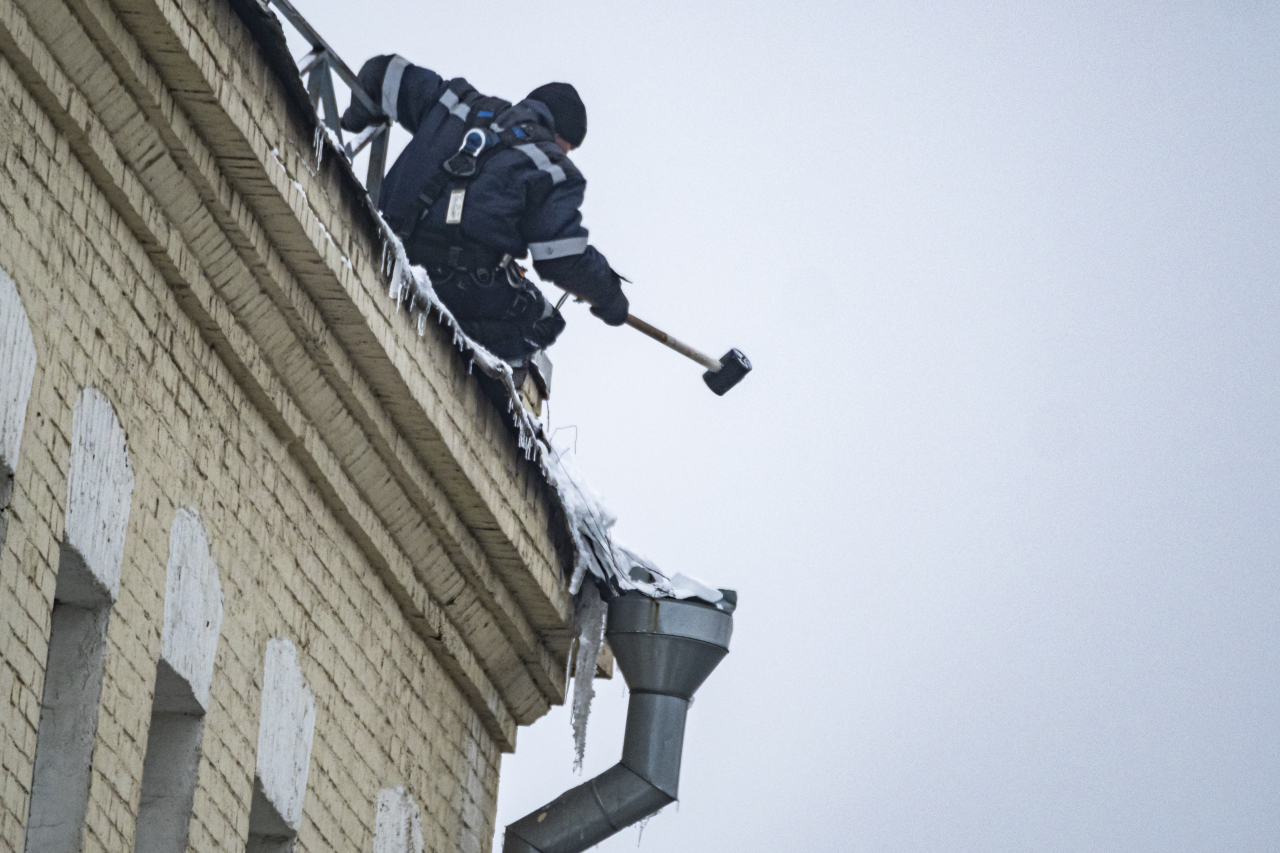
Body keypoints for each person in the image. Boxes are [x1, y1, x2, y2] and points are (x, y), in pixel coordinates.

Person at [341, 56, 630, 362]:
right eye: (568, 147)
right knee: (543, 319)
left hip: (386, 239)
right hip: (449, 279)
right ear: (561, 135)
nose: (565, 153)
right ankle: (460, 375)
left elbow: (382, 73)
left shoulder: (458, 102)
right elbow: (563, 259)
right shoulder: (551, 166)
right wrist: (610, 298)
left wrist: (356, 117)